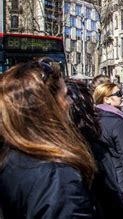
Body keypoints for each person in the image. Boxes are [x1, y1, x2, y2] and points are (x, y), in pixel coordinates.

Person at [0, 61, 96, 218]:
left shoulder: (10, 155)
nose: (71, 102)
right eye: (65, 95)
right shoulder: (55, 176)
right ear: (46, 106)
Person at [66, 79, 123, 219]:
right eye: (118, 93)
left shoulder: (87, 123)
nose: (122, 95)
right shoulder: (116, 123)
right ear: (107, 99)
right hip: (118, 186)